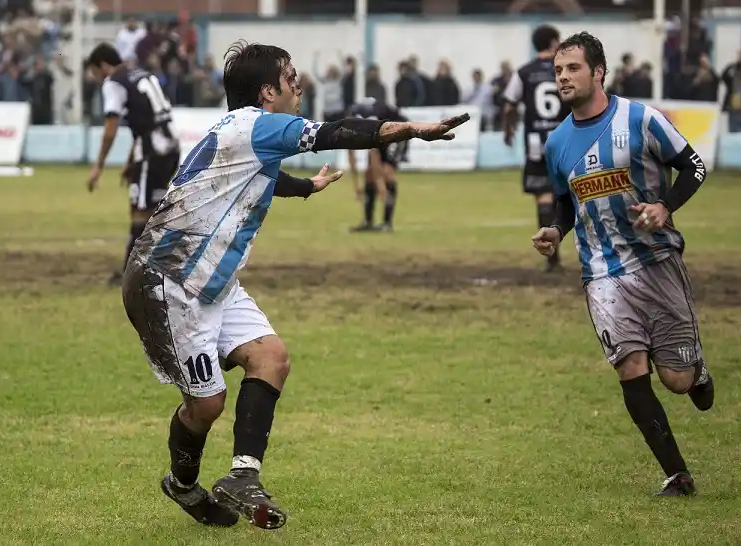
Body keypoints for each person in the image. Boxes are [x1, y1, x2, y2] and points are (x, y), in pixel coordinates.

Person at [121, 40, 469, 530]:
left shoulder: (239, 132)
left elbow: (261, 176)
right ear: (268, 91)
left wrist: (306, 187)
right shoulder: (257, 125)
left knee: (271, 357)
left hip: (212, 282)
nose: (298, 83)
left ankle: (243, 477)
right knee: (207, 406)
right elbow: (339, 132)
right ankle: (182, 485)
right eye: (290, 75)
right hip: (169, 282)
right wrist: (412, 129)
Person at [531, 32, 714, 497]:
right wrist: (555, 231)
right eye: (558, 70)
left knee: (676, 380)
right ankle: (679, 474)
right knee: (630, 366)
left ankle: (697, 372)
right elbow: (565, 206)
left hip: (657, 262)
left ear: (598, 72)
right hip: (602, 274)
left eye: (572, 68)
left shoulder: (641, 119)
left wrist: (665, 206)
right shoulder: (556, 144)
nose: (563, 78)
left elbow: (694, 167)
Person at [85, 43, 181, 285]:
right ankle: (163, 267)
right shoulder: (141, 73)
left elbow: (110, 129)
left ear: (103, 66)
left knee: (140, 211)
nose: (97, 79)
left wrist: (98, 166)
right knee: (155, 207)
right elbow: (146, 118)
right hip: (170, 146)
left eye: (95, 73)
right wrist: (130, 160)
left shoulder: (114, 82)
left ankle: (132, 274)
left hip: (151, 151)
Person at [503, 24, 570, 272]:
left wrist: (508, 130)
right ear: (553, 43)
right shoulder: (564, 69)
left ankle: (552, 259)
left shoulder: (523, 73)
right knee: (575, 195)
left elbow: (509, 105)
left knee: (544, 197)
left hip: (536, 144)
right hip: (566, 141)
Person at [346, 97, 409, 232]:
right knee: (369, 175)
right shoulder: (347, 128)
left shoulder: (366, 128)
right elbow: (351, 155)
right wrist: (356, 185)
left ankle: (387, 224)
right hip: (381, 133)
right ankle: (368, 222)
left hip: (398, 130)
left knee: (386, 173)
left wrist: (381, 187)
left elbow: (374, 157)